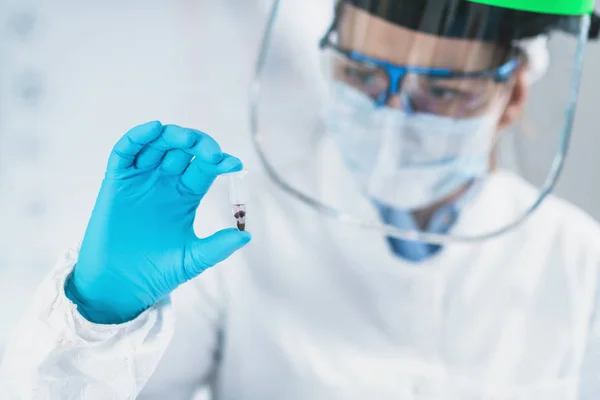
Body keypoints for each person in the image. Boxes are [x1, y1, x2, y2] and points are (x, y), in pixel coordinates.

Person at [2, 0, 600, 398]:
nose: (392, 115)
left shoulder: (575, 256)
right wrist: (99, 316)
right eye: (362, 76)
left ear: (515, 92)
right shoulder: (232, 229)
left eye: (442, 92)